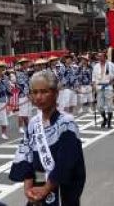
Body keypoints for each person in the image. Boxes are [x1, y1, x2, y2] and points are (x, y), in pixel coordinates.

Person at [9, 70, 86, 206]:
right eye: (35, 92)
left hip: (60, 187)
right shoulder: (33, 123)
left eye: (44, 92)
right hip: (38, 186)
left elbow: (67, 162)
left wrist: (47, 188)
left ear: (55, 93)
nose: (39, 97)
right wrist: (28, 188)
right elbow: (25, 153)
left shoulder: (66, 123)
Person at [92, 51, 114, 128]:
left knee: (110, 106)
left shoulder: (111, 65)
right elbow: (93, 78)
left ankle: (109, 122)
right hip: (99, 87)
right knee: (99, 106)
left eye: (101, 56)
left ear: (105, 57)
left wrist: (113, 81)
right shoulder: (96, 66)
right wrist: (94, 87)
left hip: (108, 87)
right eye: (98, 56)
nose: (99, 58)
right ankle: (104, 118)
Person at [15, 58, 33, 134]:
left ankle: (28, 126)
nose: (27, 64)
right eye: (25, 63)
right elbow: (22, 85)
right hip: (23, 94)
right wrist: (28, 94)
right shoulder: (19, 73)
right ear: (22, 64)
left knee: (27, 112)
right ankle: (20, 127)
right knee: (22, 112)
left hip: (29, 93)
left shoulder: (26, 72)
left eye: (27, 63)